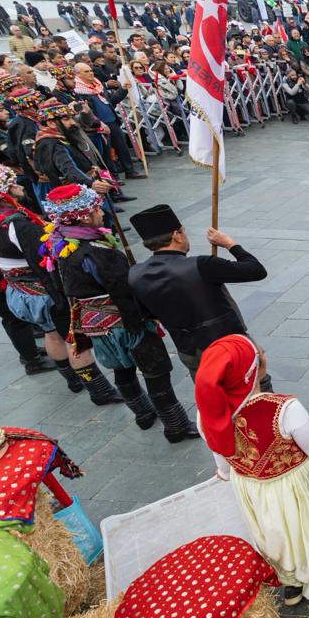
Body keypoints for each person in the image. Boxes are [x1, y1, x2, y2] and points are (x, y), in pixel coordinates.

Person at [195, 333, 309, 610]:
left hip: (250, 486)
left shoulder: (208, 414)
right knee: (305, 532)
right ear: (255, 371)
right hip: (292, 485)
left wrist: (226, 474)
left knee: (273, 532)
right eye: (260, 354)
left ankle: (291, 583)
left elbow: (219, 452)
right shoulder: (284, 409)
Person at [40, 184, 198, 441]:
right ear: (84, 216)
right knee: (155, 370)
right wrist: (150, 313)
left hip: (95, 323)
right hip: (124, 322)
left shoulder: (57, 242)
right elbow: (126, 290)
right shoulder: (98, 252)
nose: (102, 213)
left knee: (122, 369)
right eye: (96, 209)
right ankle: (176, 425)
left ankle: (143, 414)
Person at [0, 163, 120, 402]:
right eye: (12, 185)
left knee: (52, 333)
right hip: (44, 294)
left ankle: (72, 379)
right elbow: (44, 264)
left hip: (19, 291)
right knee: (75, 341)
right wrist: (63, 296)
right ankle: (99, 391)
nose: (19, 186)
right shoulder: (16, 224)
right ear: (1, 194)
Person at [126, 203, 272, 389]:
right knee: (255, 389)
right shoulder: (201, 265)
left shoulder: (135, 274)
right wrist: (229, 244)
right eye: (183, 232)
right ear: (176, 235)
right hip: (229, 345)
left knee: (213, 397)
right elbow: (256, 270)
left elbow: (148, 314)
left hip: (189, 350)